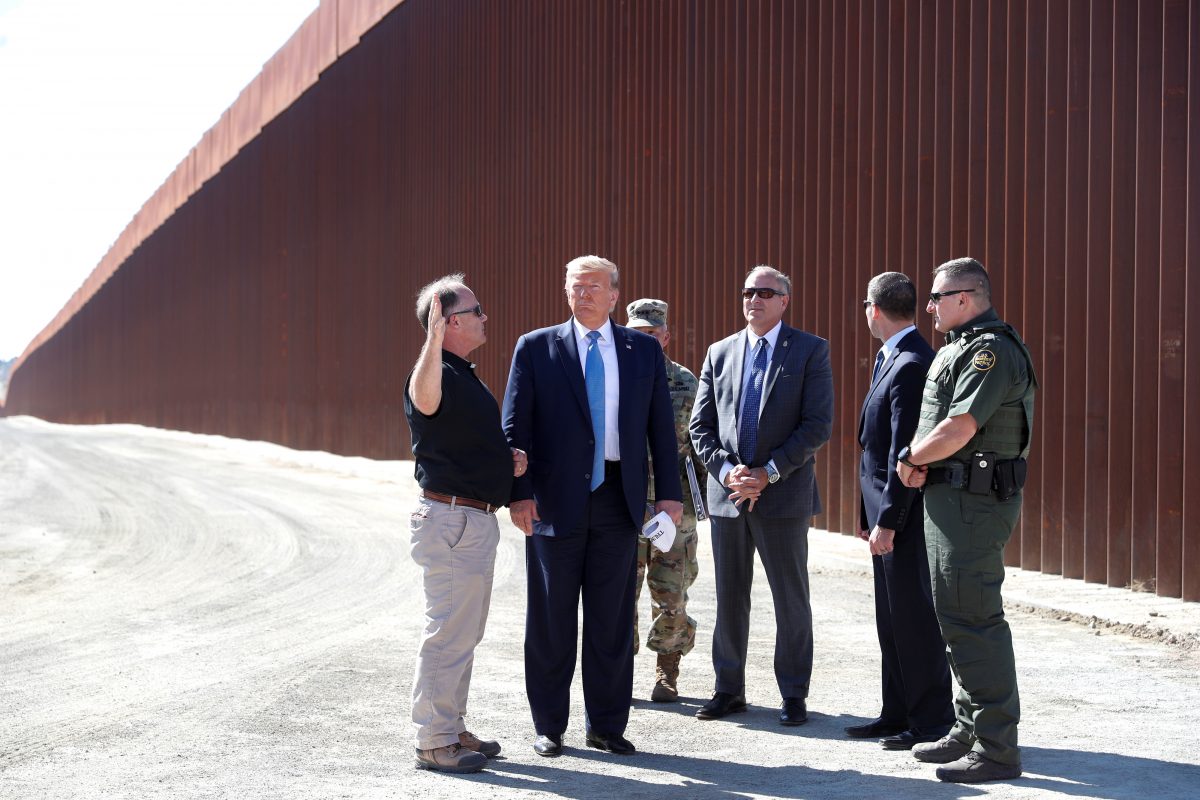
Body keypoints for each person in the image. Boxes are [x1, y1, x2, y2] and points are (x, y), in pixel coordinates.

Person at [502, 255, 683, 758]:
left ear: (614, 296)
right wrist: (519, 494)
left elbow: (660, 432)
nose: (583, 295)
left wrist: (669, 496)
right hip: (553, 504)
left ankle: (605, 726)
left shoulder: (641, 352)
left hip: (617, 502)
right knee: (551, 619)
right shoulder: (536, 348)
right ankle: (549, 726)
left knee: (609, 620)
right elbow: (515, 428)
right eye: (575, 287)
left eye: (593, 287)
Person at [897, 257, 1037, 784]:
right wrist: (922, 465)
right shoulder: (957, 345)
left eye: (936, 297)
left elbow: (960, 426)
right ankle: (969, 728)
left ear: (966, 296)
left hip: (976, 503)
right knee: (955, 614)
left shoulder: (990, 350)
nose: (928, 306)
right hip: (949, 498)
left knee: (975, 616)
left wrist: (913, 460)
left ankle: (999, 748)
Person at [688, 265, 834, 727]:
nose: (754, 299)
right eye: (748, 291)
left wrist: (768, 473)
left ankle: (793, 693)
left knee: (790, 598)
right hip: (729, 494)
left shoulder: (810, 351)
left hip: (783, 495)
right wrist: (730, 471)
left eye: (766, 293)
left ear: (784, 301)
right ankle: (728, 689)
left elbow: (817, 425)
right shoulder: (720, 351)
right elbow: (700, 426)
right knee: (730, 597)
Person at [404, 274, 527, 774]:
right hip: (452, 519)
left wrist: (505, 459)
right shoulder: (434, 373)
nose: (484, 317)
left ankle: (451, 728)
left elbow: (462, 441)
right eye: (476, 310)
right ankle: (433, 741)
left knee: (465, 632)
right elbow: (424, 400)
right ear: (449, 321)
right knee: (448, 634)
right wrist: (431, 339)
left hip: (471, 519)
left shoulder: (464, 374)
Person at [849, 272, 954, 749]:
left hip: (905, 520)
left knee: (914, 621)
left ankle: (931, 720)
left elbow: (903, 452)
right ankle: (897, 713)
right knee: (891, 620)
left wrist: (888, 520)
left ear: (874, 309)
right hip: (886, 517)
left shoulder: (911, 363)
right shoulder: (892, 357)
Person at [624, 298, 705, 703]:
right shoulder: (613, 379)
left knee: (671, 593)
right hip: (623, 507)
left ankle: (667, 669)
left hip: (674, 510)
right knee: (620, 594)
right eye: (637, 334)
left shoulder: (687, 383)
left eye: (653, 334)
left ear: (666, 336)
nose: (645, 341)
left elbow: (701, 444)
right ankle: (619, 667)